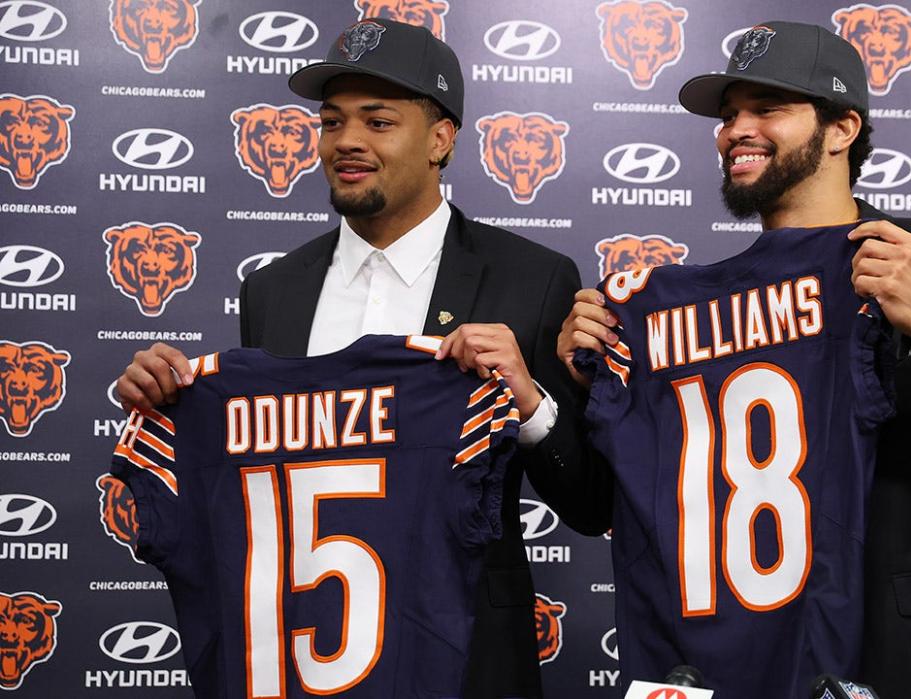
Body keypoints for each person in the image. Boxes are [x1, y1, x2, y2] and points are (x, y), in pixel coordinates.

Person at [557, 21, 911, 698]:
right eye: (730, 114)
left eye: (768, 109)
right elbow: (606, 499)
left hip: (902, 663)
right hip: (734, 664)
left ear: (842, 129)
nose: (736, 130)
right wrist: (571, 383)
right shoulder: (676, 307)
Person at [115, 19, 610, 699]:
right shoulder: (272, 288)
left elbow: (589, 502)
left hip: (469, 664)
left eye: (377, 121)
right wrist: (169, 405)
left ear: (441, 139)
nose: (345, 141)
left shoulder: (532, 277)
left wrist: (529, 402)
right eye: (331, 122)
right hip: (307, 656)